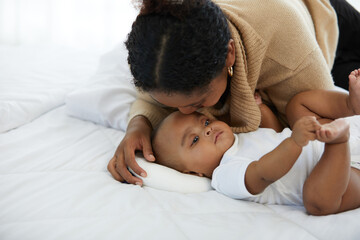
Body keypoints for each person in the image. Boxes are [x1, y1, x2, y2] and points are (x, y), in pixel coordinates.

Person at [108, 0, 360, 185]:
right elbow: (153, 96)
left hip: (327, 25)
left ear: (230, 55)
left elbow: (317, 119)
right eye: (172, 105)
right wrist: (139, 125)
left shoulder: (288, 53)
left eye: (197, 103)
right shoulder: (172, 42)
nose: (183, 113)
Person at [150, 97, 360, 216]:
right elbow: (261, 173)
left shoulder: (240, 137)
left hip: (319, 133)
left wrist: (261, 109)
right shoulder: (224, 175)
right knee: (317, 202)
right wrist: (294, 142)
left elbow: (273, 135)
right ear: (193, 173)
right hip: (341, 175)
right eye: (194, 140)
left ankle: (351, 105)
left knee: (297, 104)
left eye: (204, 122)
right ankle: (339, 141)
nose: (207, 130)